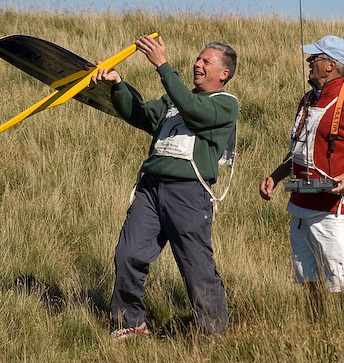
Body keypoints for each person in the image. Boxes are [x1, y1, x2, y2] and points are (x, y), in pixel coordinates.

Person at [92, 35, 239, 339]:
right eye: (198, 58)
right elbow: (141, 115)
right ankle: (130, 323)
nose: (197, 64)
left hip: (188, 194)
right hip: (150, 189)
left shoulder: (225, 104)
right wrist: (118, 85)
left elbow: (194, 112)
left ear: (223, 74)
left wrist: (162, 65)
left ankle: (213, 334)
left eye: (206, 61)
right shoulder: (175, 98)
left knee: (196, 266)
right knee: (127, 254)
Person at [259, 35, 344, 321]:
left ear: (331, 65)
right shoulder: (308, 99)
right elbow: (299, 151)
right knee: (307, 276)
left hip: (334, 210)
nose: (309, 62)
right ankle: (318, 330)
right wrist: (276, 176)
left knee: (340, 279)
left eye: (315, 58)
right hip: (299, 204)